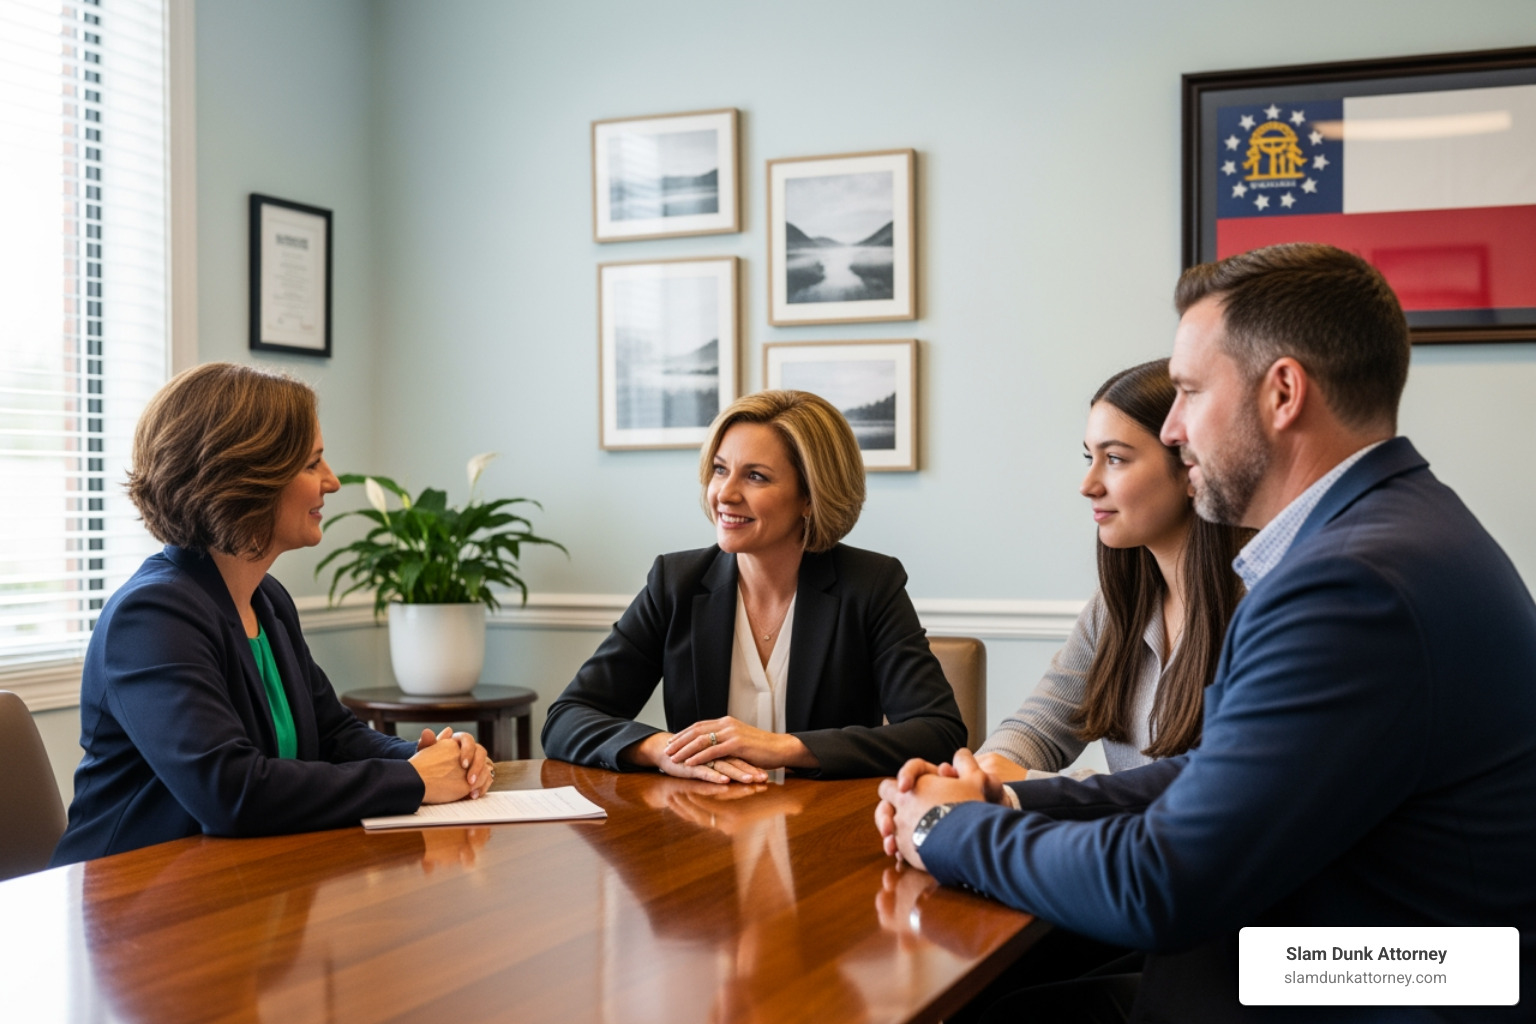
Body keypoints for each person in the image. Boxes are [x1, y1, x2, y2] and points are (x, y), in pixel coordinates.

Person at [877, 244, 1536, 1022]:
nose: (1178, 430)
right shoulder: (1395, 529)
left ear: (1282, 392)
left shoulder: (1348, 584)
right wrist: (1010, 800)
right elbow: (1215, 775)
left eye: (1188, 392)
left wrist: (954, 830)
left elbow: (1162, 885)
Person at [51, 363, 491, 866]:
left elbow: (334, 736)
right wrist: (413, 781)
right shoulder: (152, 616)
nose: (333, 481)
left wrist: (427, 757)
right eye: (312, 464)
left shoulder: (267, 599)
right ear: (245, 478)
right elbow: (231, 792)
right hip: (129, 909)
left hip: (230, 887)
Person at [541, 390, 966, 781]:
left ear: (809, 497)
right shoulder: (675, 584)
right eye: (720, 470)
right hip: (708, 836)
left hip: (826, 837)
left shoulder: (870, 586)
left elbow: (939, 732)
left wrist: (786, 747)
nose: (725, 494)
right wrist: (662, 750)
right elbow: (567, 718)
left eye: (756, 477)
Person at [975, 359, 1248, 782]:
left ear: (1193, 469)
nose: (1088, 484)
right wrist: (974, 776)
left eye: (1115, 458)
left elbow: (1198, 790)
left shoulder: (1259, 605)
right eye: (1090, 456)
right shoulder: (1116, 605)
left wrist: (1024, 788)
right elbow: (1037, 728)